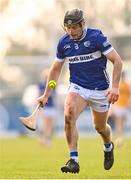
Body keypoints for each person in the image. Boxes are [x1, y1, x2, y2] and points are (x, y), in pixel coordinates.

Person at [37, 8, 123, 173]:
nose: (71, 31)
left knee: (100, 127)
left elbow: (117, 61)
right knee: (69, 114)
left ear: (83, 24)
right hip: (78, 87)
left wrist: (115, 87)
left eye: (75, 27)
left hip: (100, 90)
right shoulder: (64, 43)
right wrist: (46, 94)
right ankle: (73, 160)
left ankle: (107, 146)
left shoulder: (96, 37)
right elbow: (55, 69)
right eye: (67, 28)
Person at [111, 71, 131, 147]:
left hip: (125, 106)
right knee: (119, 123)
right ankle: (119, 139)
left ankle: (120, 138)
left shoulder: (128, 84)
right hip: (119, 105)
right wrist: (113, 106)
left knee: (122, 124)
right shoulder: (118, 84)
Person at [38, 68, 56, 147]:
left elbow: (54, 95)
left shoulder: (52, 84)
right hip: (44, 107)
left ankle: (47, 139)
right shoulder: (41, 85)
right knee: (45, 124)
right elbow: (39, 94)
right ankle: (43, 139)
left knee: (50, 125)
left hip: (51, 106)